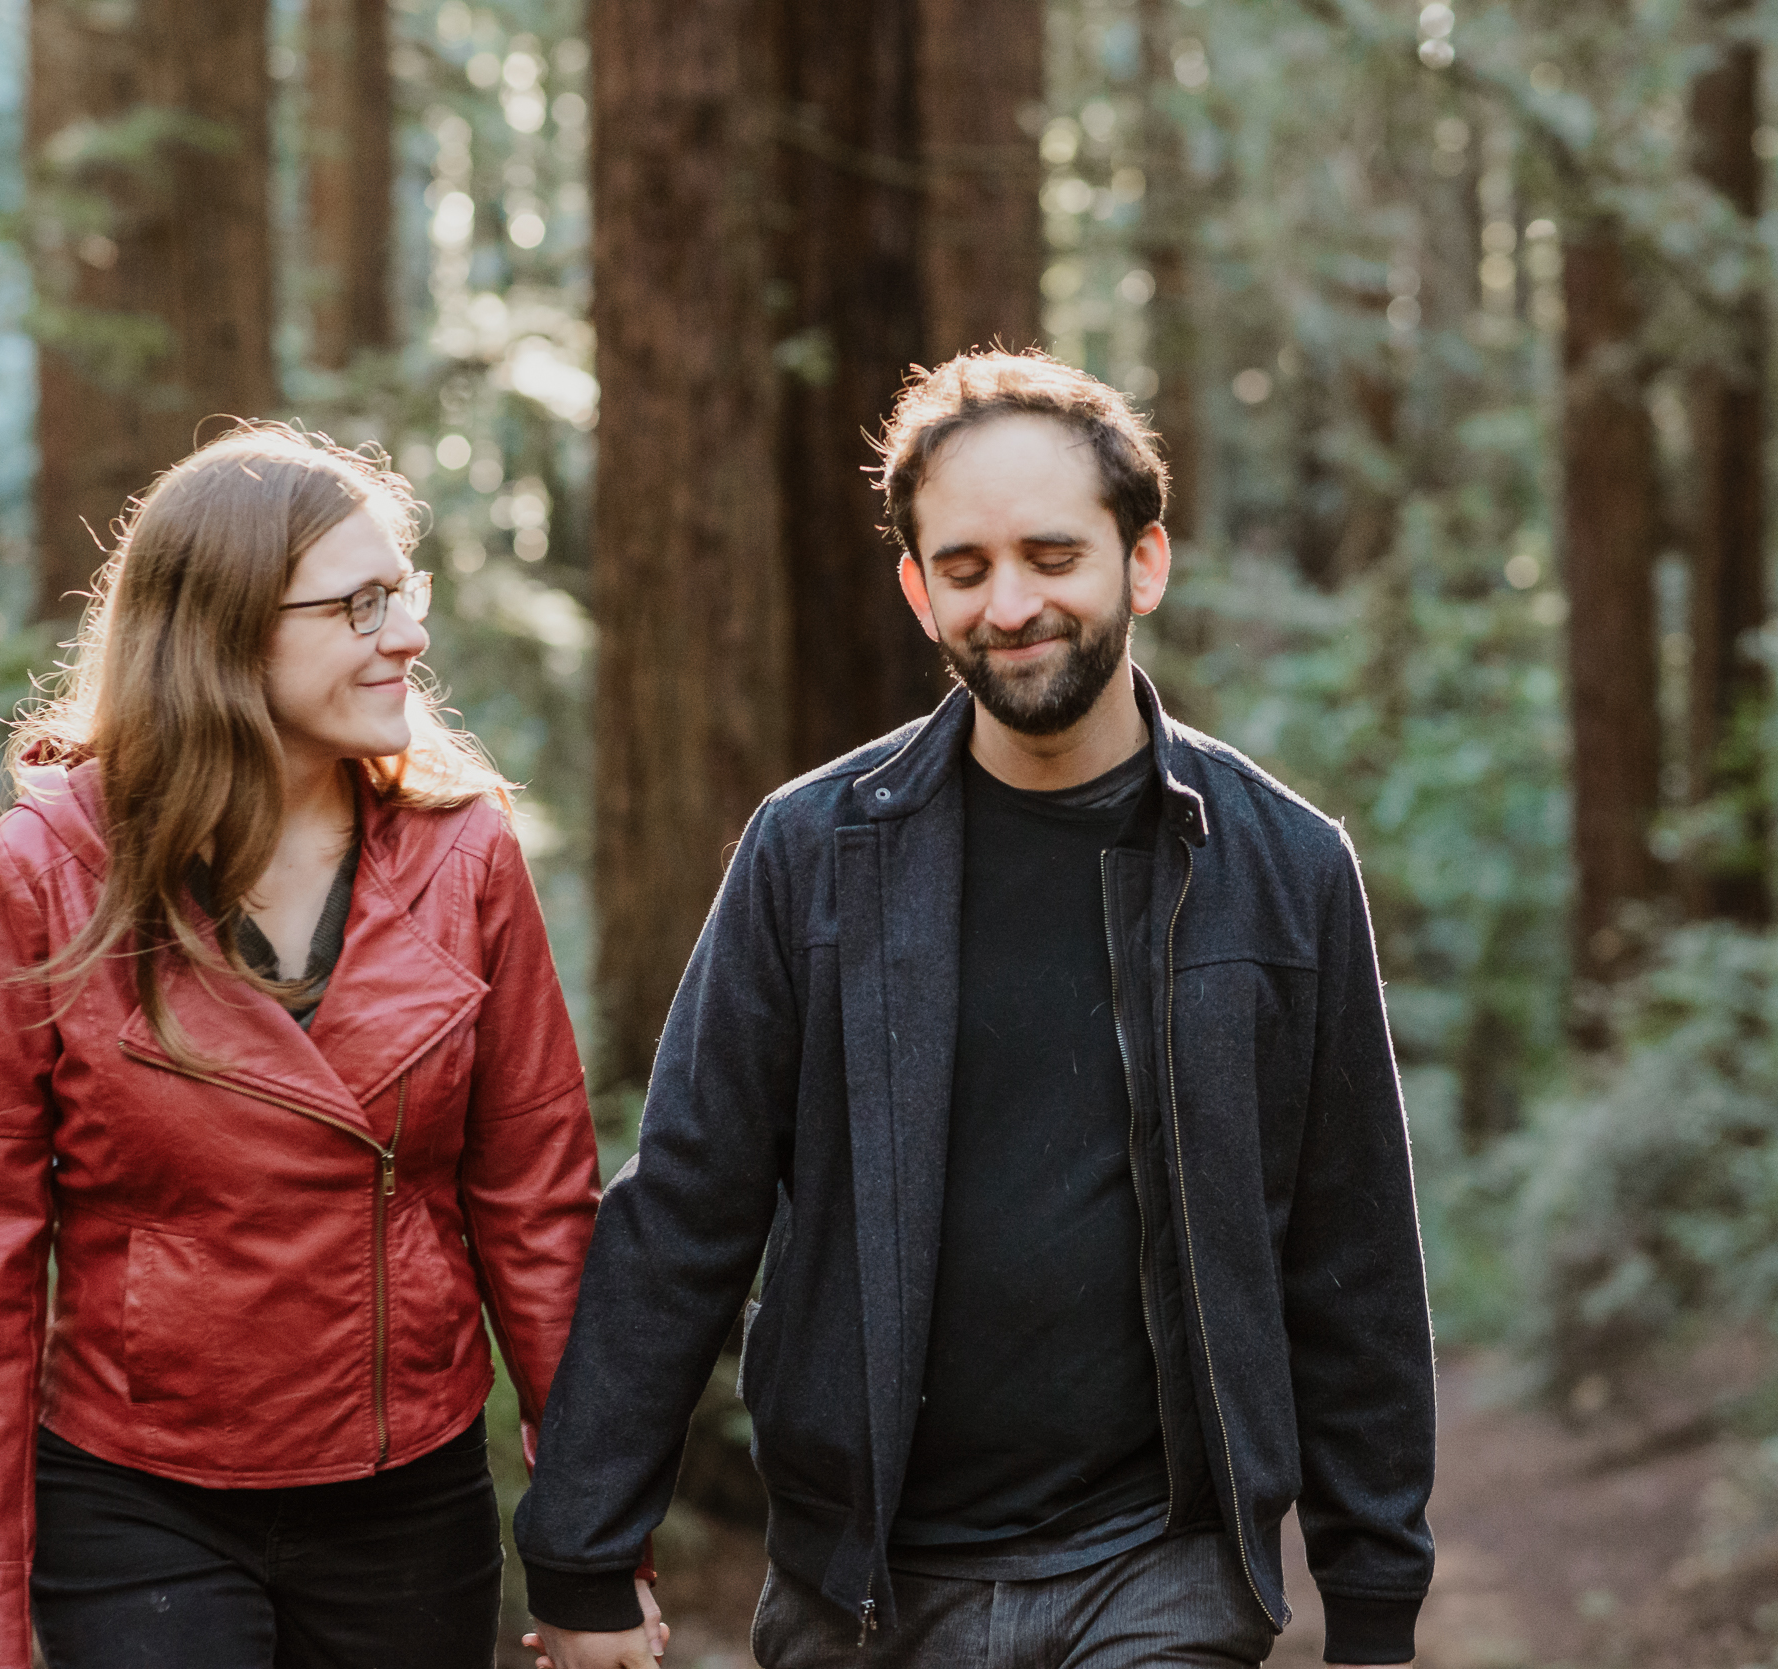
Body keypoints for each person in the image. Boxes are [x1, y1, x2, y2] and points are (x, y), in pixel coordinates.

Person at [515, 352, 1434, 1669]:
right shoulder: (812, 854)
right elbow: (687, 1209)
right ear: (918, 589)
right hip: (867, 1584)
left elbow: (1354, 1258)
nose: (1013, 604)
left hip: (1158, 1574)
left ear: (1144, 560)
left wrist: (1378, 1606)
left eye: (1053, 554)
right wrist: (584, 1545)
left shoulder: (1281, 870)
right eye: (965, 567)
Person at [0, 428, 657, 1669]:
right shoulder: (48, 868)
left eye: (403, 593)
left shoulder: (466, 854)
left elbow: (538, 1218)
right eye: (359, 604)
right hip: (137, 1495)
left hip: (404, 1494)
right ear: (223, 627)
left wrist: (594, 1562)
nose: (407, 634)